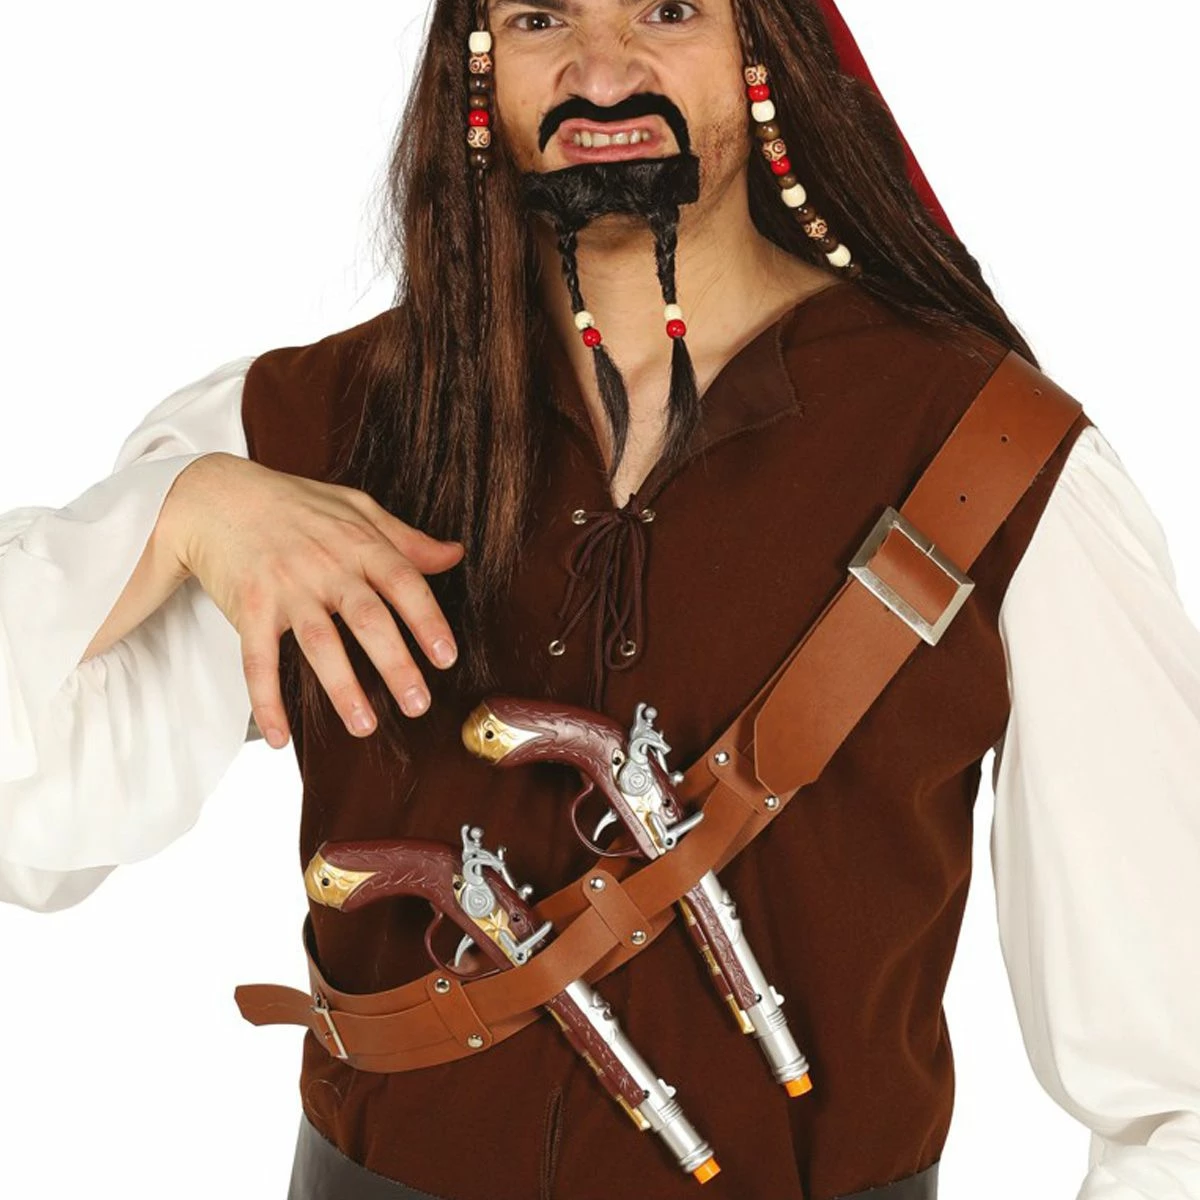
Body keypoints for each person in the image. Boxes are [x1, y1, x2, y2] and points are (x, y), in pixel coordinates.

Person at [2, 0, 1198, 1197]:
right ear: (479, 69)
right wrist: (183, 513)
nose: (603, 70)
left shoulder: (991, 458)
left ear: (759, 48)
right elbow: (30, 818)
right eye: (540, 18)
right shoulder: (298, 427)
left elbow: (1176, 1091)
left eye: (667, 10)